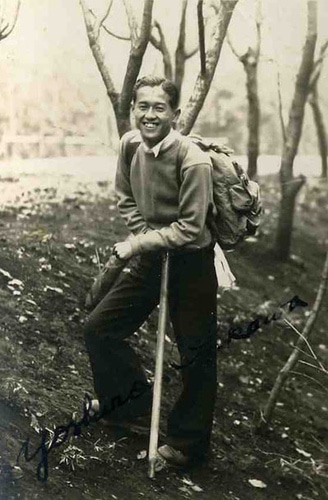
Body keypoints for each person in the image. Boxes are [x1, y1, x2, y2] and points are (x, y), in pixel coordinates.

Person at [84, 75, 218, 467]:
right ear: (133, 110)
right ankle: (128, 404)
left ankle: (188, 444)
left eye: (159, 107)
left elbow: (191, 227)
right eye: (143, 106)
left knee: (196, 353)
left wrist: (140, 242)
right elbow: (125, 196)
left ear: (175, 115)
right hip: (150, 253)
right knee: (100, 328)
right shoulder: (129, 146)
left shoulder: (194, 161)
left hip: (192, 261)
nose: (150, 114)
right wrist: (145, 237)